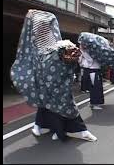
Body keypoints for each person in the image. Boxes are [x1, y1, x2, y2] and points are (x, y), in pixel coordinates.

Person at [10, 9, 97, 142]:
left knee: (63, 103)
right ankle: (45, 126)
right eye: (39, 29)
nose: (42, 31)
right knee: (45, 102)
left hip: (59, 84)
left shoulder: (59, 47)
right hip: (45, 83)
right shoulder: (36, 52)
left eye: (45, 28)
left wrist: (68, 57)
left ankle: (75, 130)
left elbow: (67, 62)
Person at [79, 44, 104, 110]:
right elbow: (89, 61)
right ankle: (95, 104)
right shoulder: (87, 52)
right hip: (93, 70)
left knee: (96, 87)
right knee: (95, 88)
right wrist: (83, 51)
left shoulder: (92, 52)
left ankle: (94, 103)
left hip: (95, 70)